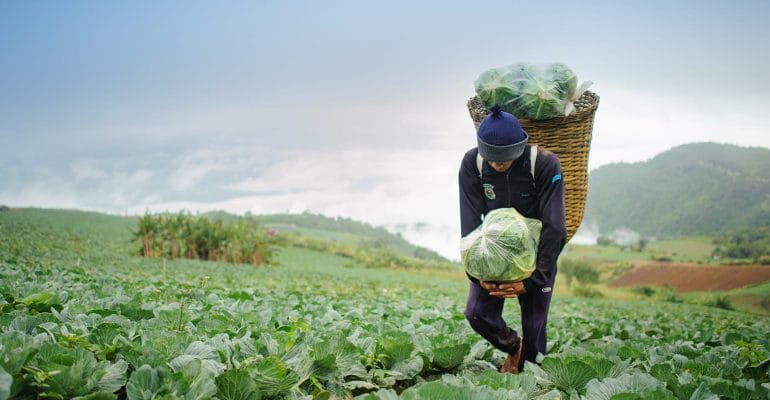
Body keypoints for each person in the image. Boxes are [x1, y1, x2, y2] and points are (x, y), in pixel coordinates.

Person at [459, 105, 567, 373]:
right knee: (476, 313)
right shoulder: (472, 164)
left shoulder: (543, 163)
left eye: (504, 159)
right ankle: (512, 347)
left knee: (534, 328)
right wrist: (478, 276)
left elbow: (555, 227)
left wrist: (532, 280)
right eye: (492, 158)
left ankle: (531, 375)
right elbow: (470, 226)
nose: (497, 164)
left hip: (534, 257)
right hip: (493, 256)